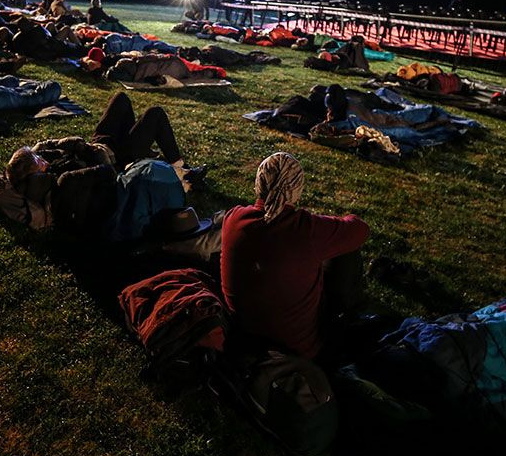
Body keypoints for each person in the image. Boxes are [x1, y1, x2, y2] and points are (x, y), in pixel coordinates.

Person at [220, 152, 369, 360]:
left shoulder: (234, 219)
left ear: (258, 182)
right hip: (299, 350)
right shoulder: (305, 228)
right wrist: (337, 220)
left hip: (243, 334)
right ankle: (345, 315)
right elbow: (360, 230)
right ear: (296, 188)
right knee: (346, 251)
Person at [92, 92, 205, 188]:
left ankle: (141, 148)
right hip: (116, 161)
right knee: (156, 114)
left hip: (100, 145)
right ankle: (182, 170)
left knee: (121, 98)